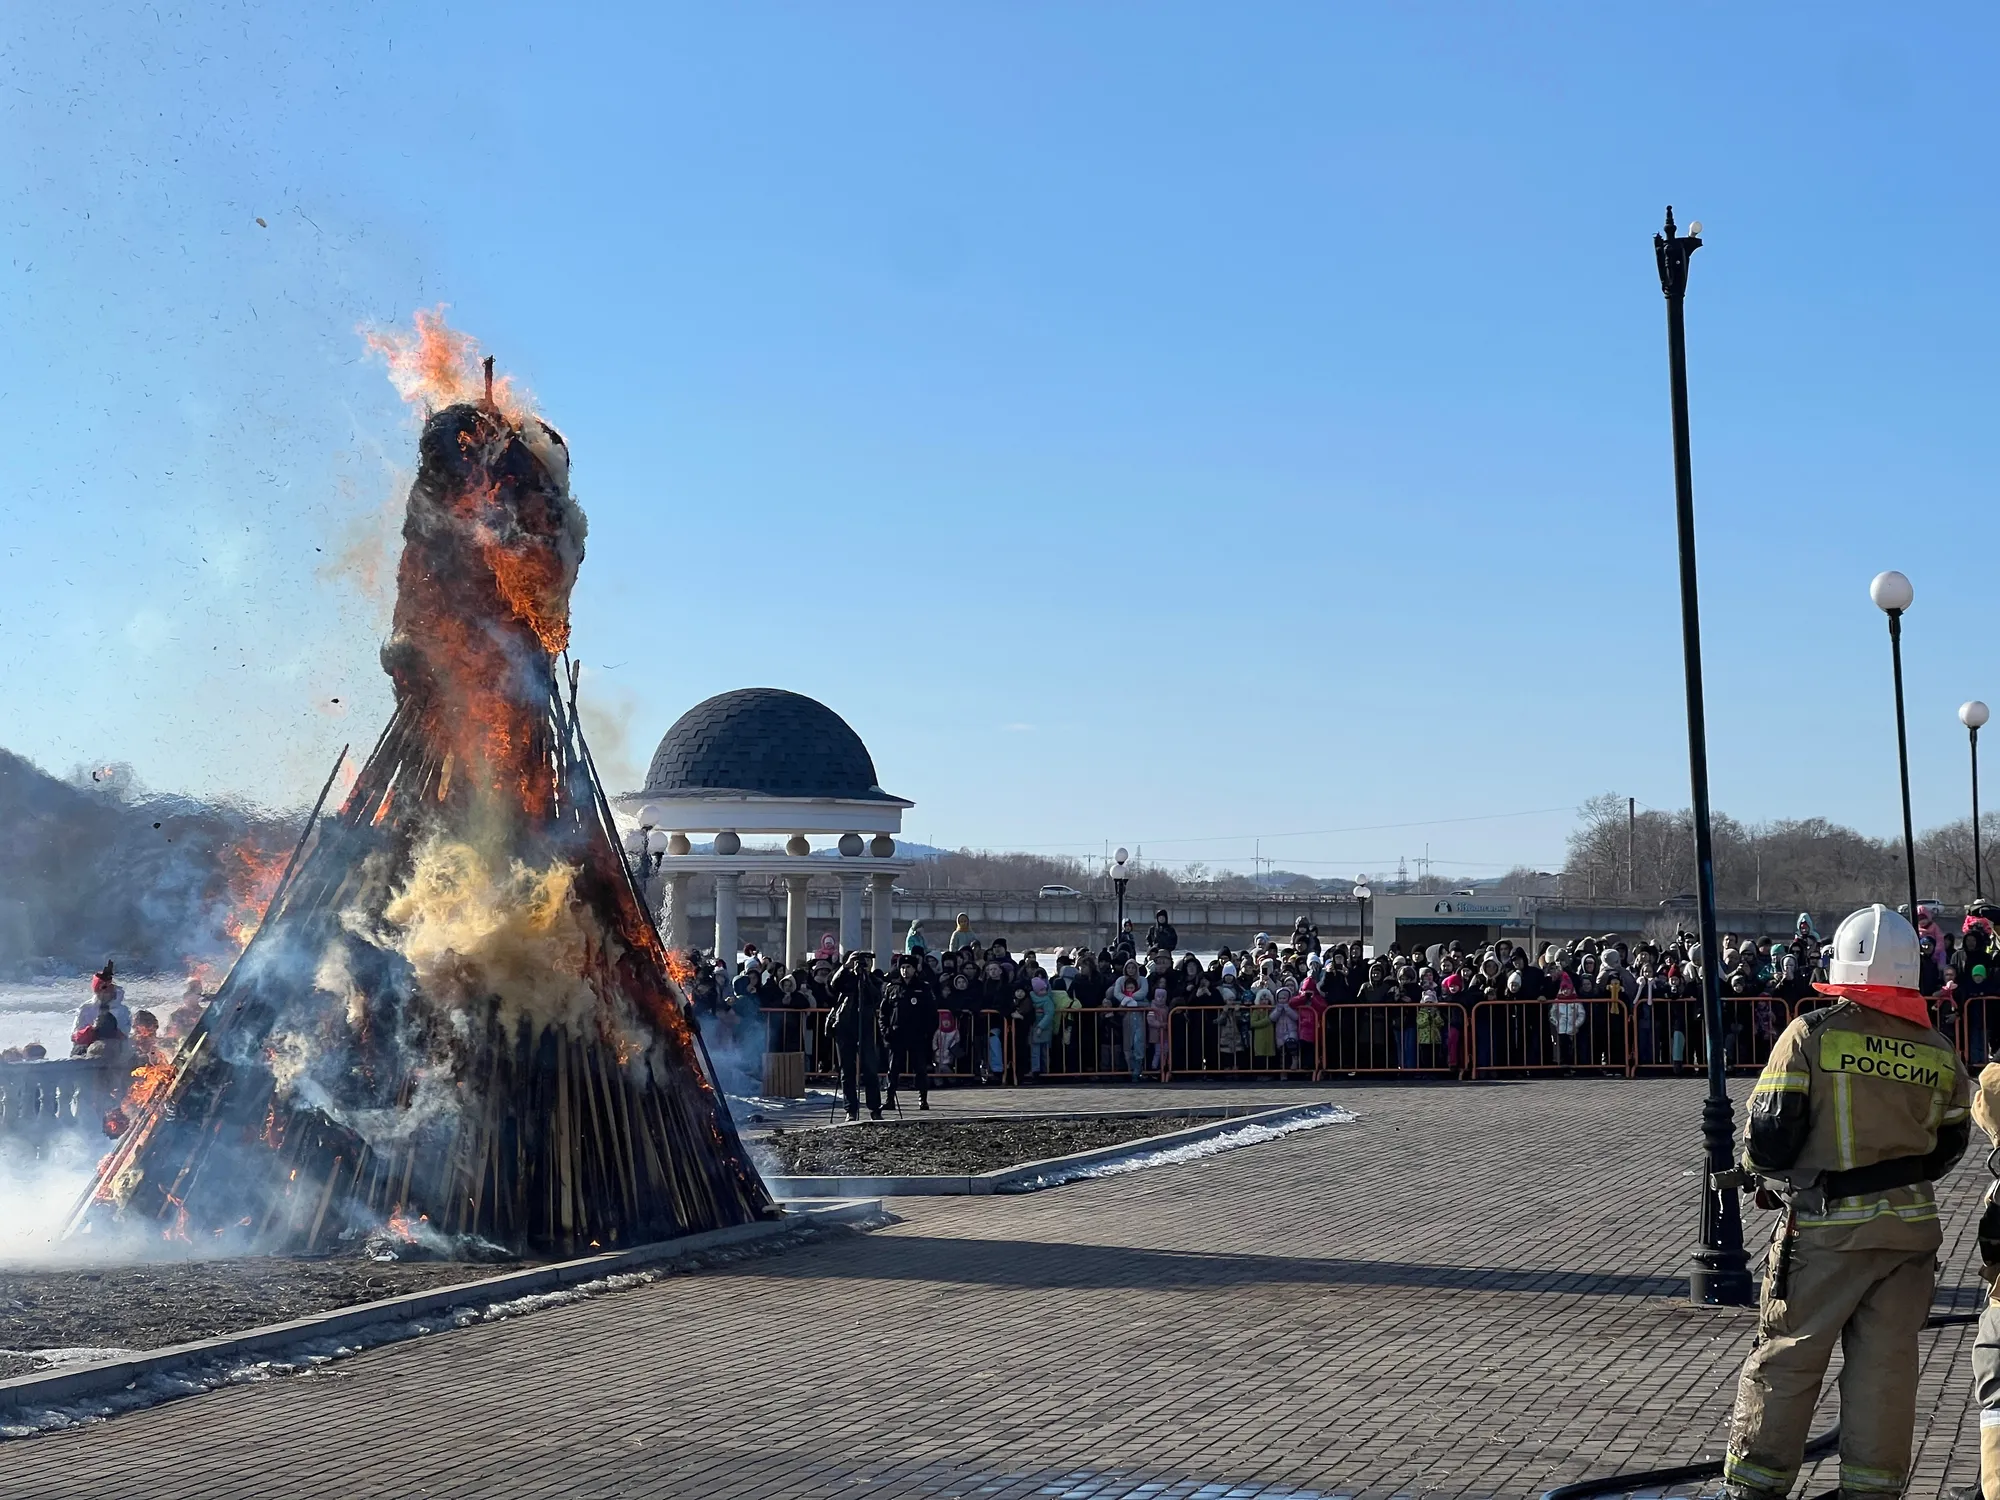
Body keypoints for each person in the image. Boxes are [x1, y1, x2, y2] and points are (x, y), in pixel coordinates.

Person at [1722, 904, 1972, 1500]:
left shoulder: (1811, 1034)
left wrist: (1761, 1172)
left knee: (1789, 1358)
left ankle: (1755, 1487)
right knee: (1885, 1373)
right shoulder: (1938, 1050)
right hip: (1911, 1236)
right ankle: (1872, 1491)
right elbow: (1949, 1146)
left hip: (1827, 1233)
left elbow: (1771, 1137)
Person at [827, 951, 886, 1121]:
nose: (861, 965)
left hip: (866, 1027)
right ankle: (850, 1110)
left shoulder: (872, 979)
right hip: (845, 1027)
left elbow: (876, 996)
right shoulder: (844, 977)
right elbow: (833, 985)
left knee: (870, 1068)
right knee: (847, 1070)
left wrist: (866, 977)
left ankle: (875, 1108)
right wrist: (846, 967)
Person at [882, 954, 939, 1111]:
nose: (905, 971)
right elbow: (883, 1013)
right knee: (893, 1069)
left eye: (908, 967)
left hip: (917, 1035)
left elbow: (932, 1014)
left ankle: (923, 1099)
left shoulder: (923, 988)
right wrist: (885, 1031)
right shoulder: (892, 988)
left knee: (920, 1068)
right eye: (902, 968)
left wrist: (928, 1033)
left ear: (915, 969)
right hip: (897, 1034)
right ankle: (889, 1098)